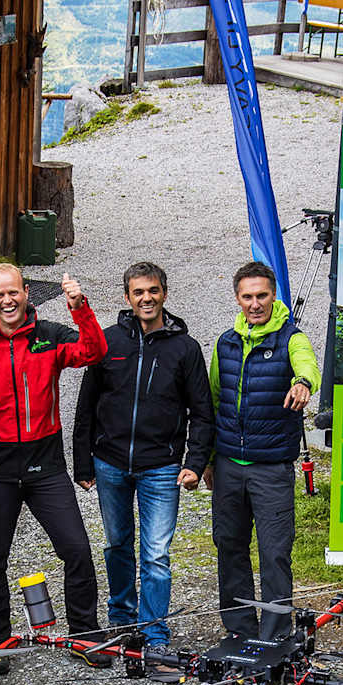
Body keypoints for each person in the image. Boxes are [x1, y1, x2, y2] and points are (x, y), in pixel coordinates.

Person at [73, 262, 214, 660]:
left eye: (153, 291)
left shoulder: (185, 349)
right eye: (138, 292)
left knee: (156, 554)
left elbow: (201, 412)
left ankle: (155, 634)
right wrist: (82, 463)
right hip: (110, 462)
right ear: (127, 297)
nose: (146, 298)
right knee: (117, 544)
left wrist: (194, 460)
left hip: (162, 466)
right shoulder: (108, 342)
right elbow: (86, 407)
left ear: (164, 294)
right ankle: (122, 619)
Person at [0, 265, 109, 664]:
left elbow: (93, 351)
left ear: (27, 292)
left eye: (13, 292)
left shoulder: (48, 335)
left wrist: (79, 307)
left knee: (78, 549)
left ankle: (84, 634)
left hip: (44, 463)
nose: (8, 300)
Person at [209, 262, 320, 641]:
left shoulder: (292, 338)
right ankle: (240, 629)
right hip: (227, 467)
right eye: (247, 297)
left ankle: (275, 635)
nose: (255, 304)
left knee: (274, 555)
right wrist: (207, 459)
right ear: (238, 298)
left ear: (274, 296)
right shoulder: (225, 342)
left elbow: (308, 366)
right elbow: (213, 402)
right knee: (230, 549)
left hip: (271, 468)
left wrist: (303, 382)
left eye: (262, 296)